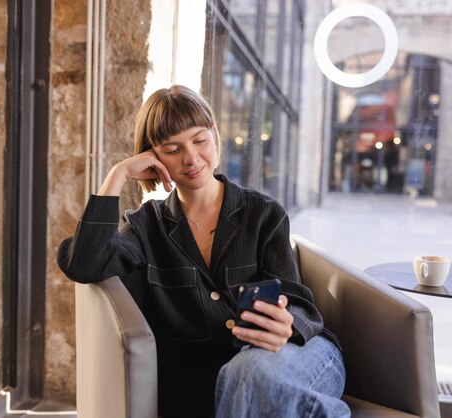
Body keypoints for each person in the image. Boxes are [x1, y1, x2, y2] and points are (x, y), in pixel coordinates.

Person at [57, 85, 350, 418]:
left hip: (299, 354)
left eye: (199, 140)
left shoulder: (263, 213)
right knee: (242, 376)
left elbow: (301, 303)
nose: (191, 158)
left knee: (248, 373)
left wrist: (288, 322)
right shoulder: (146, 228)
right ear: (153, 159)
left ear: (215, 137)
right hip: (214, 382)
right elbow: (83, 263)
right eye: (172, 149)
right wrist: (117, 174)